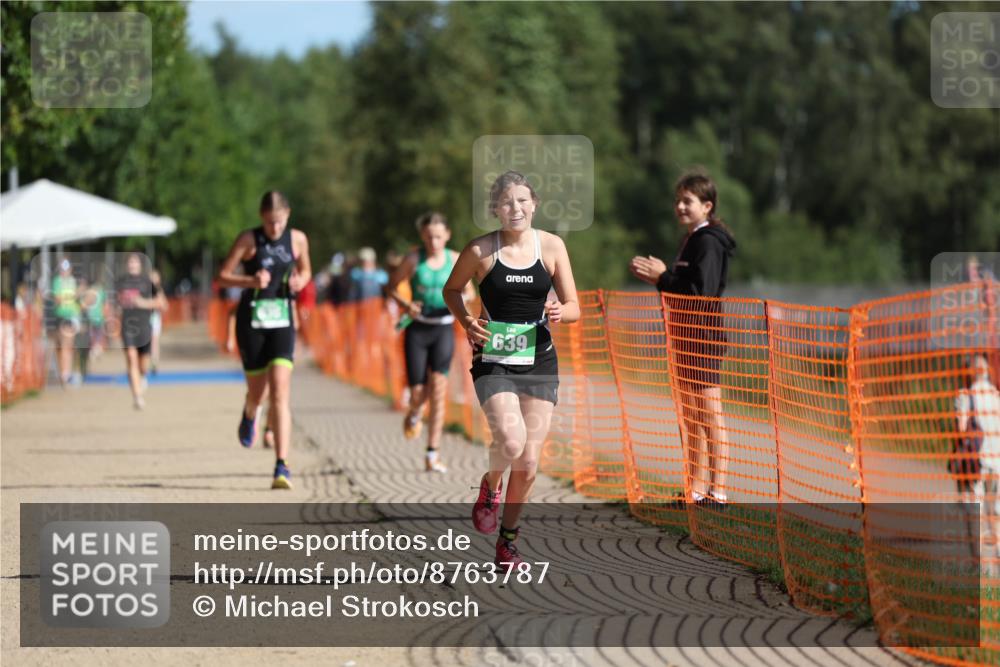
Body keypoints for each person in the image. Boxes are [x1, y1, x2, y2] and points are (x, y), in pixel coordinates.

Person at [443, 171, 580, 566]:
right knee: (511, 441)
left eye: (522, 200)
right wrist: (467, 321)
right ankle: (491, 486)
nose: (515, 208)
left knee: (530, 462)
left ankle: (508, 541)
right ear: (495, 209)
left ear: (534, 204)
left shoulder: (552, 246)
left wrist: (561, 311)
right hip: (494, 359)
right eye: (506, 202)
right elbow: (451, 290)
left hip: (540, 359)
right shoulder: (480, 250)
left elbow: (574, 306)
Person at [629, 171, 736, 506]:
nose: (680, 206)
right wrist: (662, 279)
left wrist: (663, 277)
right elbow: (683, 288)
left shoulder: (708, 242)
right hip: (686, 337)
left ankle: (717, 493)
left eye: (688, 201)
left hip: (703, 338)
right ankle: (695, 489)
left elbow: (699, 293)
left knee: (710, 415)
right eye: (677, 200)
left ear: (707, 205)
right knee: (692, 418)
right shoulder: (691, 239)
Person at [217, 191, 311, 489]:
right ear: (261, 218)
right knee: (258, 393)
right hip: (253, 322)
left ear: (288, 215)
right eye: (270, 222)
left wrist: (300, 281)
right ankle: (250, 412)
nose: (275, 228)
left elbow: (306, 270)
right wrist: (250, 281)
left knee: (280, 392)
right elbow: (223, 276)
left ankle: (282, 465)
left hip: (282, 319)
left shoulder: (297, 239)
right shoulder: (249, 240)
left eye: (280, 222)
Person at [388, 212, 473, 473]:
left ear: (447, 235)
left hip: (443, 328)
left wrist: (461, 301)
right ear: (422, 237)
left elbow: (469, 291)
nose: (433, 242)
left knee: (438, 388)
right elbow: (392, 287)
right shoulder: (414, 259)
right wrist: (406, 305)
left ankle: (432, 453)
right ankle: (414, 412)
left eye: (437, 236)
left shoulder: (456, 259)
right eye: (428, 237)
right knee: (418, 393)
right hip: (417, 329)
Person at [954, 353, 1000, 573]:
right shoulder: (996, 395)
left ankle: (980, 565)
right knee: (995, 513)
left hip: (977, 462)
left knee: (976, 512)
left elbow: (962, 429)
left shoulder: (966, 395)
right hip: (998, 460)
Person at [116, 253, 167, 409]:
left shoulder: (147, 282)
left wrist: (142, 303)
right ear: (127, 265)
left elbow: (161, 303)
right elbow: (115, 302)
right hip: (128, 326)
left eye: (135, 262)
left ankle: (142, 377)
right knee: (131, 358)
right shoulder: (121, 282)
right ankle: (137, 397)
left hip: (144, 326)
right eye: (130, 262)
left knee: (142, 365)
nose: (132, 265)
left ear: (140, 265)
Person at [51, 259, 81, 387]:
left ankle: (66, 374)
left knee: (68, 345)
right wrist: (73, 295)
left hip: (71, 316)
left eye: (67, 269)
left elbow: (76, 298)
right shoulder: (57, 281)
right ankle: (64, 373)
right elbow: (58, 299)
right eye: (63, 269)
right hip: (61, 316)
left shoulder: (73, 281)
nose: (65, 272)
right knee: (62, 346)